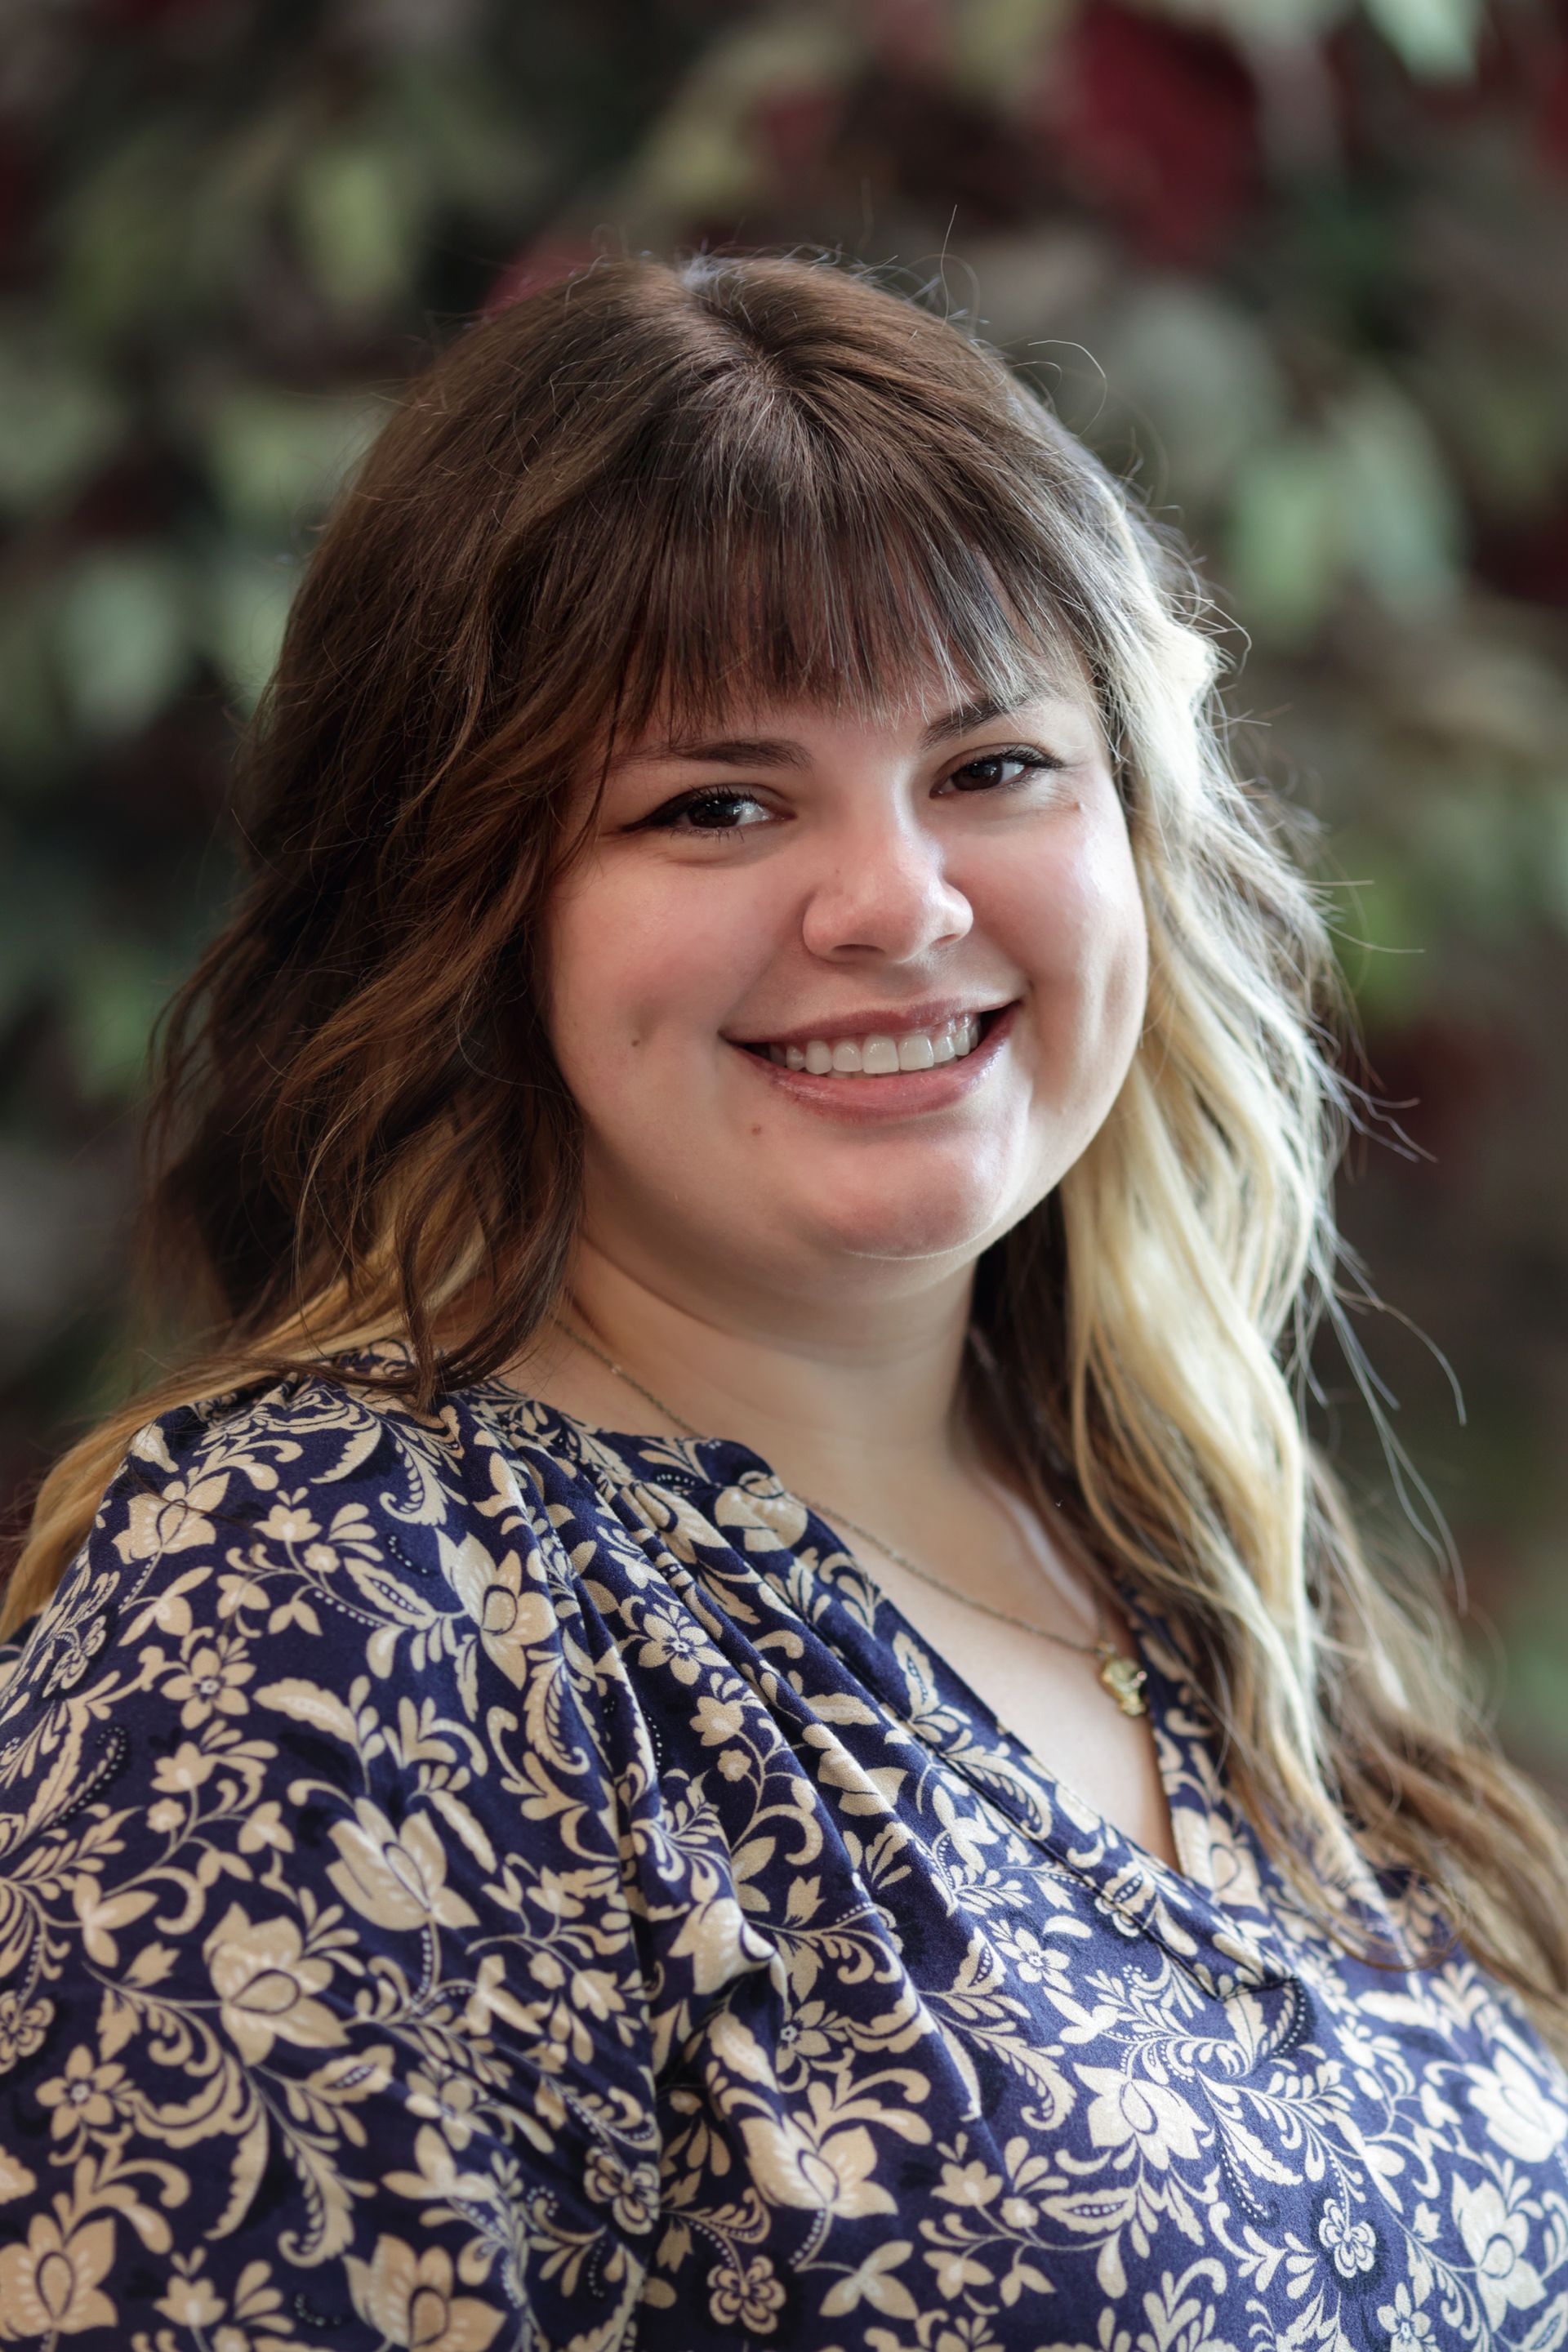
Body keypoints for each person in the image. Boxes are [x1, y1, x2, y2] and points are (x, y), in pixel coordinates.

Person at [0, 251, 1565, 2352]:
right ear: (470, 912)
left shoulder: (1174, 1539)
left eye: (994, 763)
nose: (897, 903)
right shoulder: (327, 1613)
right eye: (715, 805)